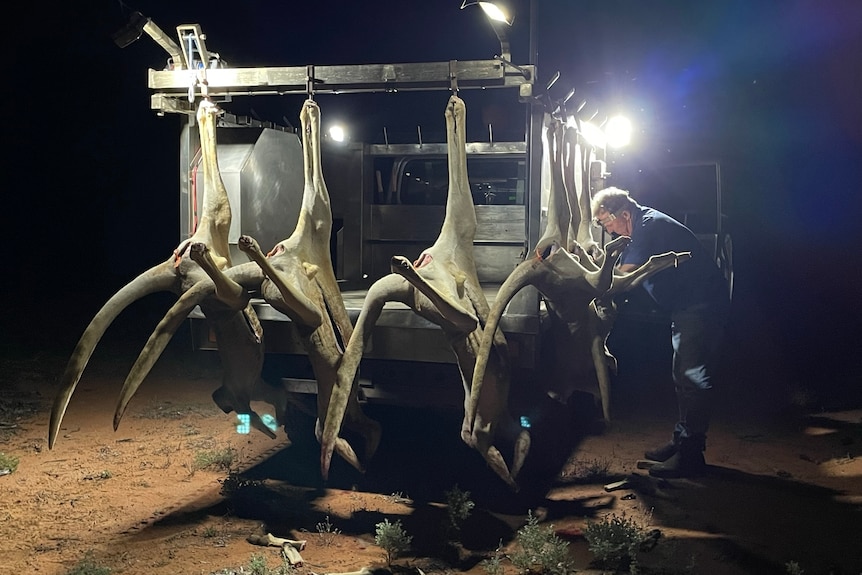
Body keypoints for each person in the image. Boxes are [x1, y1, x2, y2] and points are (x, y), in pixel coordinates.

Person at [590, 187, 730, 478]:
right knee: (682, 373)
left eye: (606, 223)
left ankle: (691, 454)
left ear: (623, 214)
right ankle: (682, 440)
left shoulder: (648, 228)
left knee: (692, 376)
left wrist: (591, 285)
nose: (608, 229)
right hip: (687, 306)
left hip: (700, 305)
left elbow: (621, 278)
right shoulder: (640, 225)